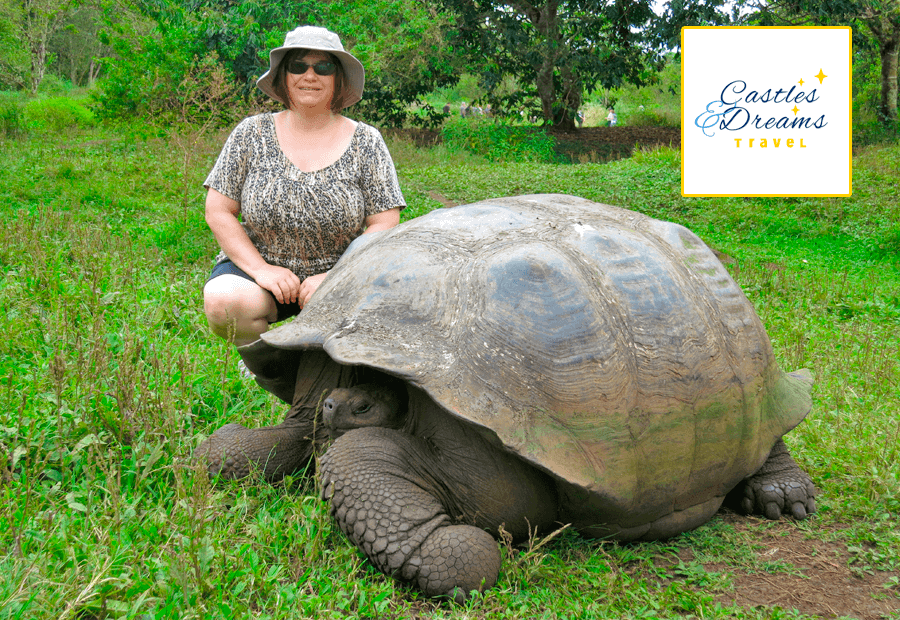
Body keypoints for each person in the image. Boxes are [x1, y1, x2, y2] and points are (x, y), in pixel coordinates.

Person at [202, 26, 406, 348]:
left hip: (338, 271)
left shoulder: (367, 141)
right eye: (299, 65)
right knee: (224, 301)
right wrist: (261, 270)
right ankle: (262, 362)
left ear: (338, 77)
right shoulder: (251, 133)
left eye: (323, 67)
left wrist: (335, 275)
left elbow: (385, 220)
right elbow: (218, 209)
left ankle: (325, 364)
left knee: (368, 315)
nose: (309, 75)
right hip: (263, 267)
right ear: (284, 75)